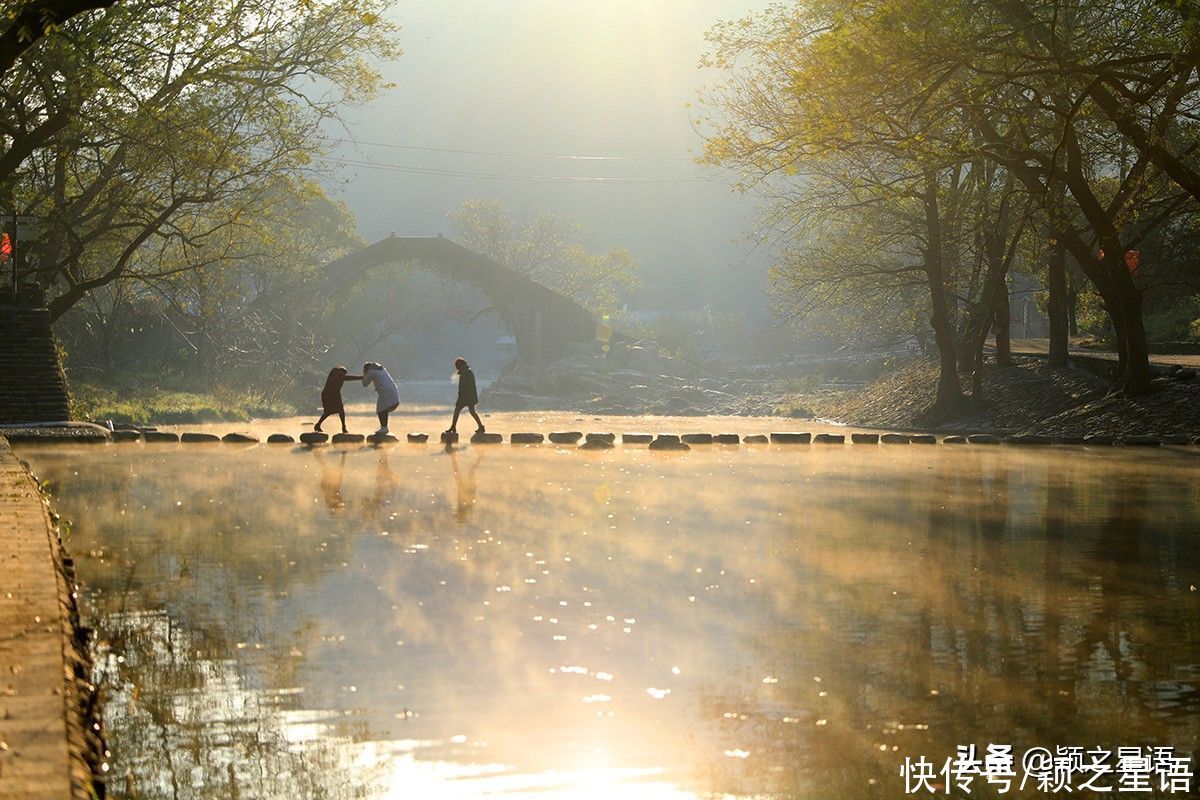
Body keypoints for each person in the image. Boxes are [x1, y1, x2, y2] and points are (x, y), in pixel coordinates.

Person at [314, 366, 362, 433]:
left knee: (340, 410)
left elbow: (346, 378)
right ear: (341, 371)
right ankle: (318, 425)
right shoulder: (335, 372)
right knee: (329, 411)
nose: (343, 375)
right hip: (328, 394)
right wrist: (361, 377)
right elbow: (348, 378)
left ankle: (343, 427)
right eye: (343, 373)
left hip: (335, 395)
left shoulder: (339, 374)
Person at [445, 357, 484, 436]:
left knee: (462, 411)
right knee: (469, 411)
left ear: (460, 365)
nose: (456, 368)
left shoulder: (467, 372)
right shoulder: (466, 372)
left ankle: (480, 426)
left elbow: (468, 386)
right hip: (467, 396)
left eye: (457, 365)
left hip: (467, 396)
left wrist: (462, 395)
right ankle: (480, 427)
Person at [362, 361, 400, 435]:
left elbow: (365, 383)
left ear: (367, 369)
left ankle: (384, 428)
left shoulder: (371, 372)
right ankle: (384, 428)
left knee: (381, 410)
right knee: (383, 409)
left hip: (386, 392)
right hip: (392, 391)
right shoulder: (381, 369)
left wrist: (364, 374)